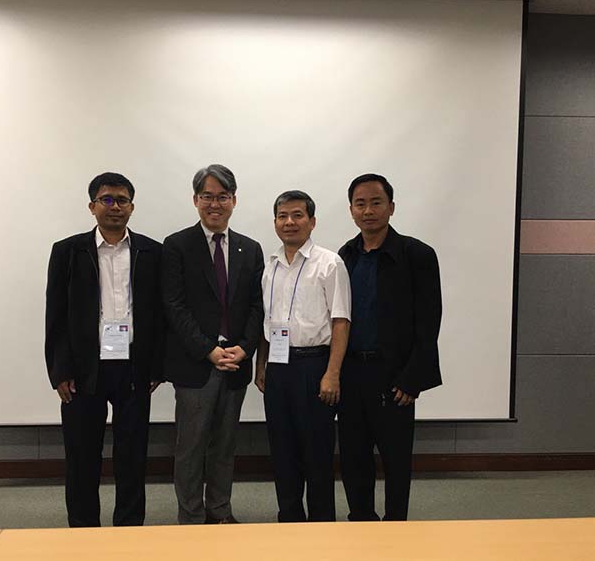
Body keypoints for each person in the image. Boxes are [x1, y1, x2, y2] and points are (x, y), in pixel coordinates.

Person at [45, 171, 163, 527]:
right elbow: (56, 315)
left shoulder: (151, 252)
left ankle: (129, 529)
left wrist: (156, 367)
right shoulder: (68, 251)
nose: (115, 207)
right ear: (92, 206)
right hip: (83, 369)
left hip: (133, 366)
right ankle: (83, 532)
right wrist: (60, 370)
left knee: (132, 455)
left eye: (122, 200)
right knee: (82, 456)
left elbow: (160, 314)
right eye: (106, 199)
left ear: (132, 207)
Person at [162, 164, 264, 524]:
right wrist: (208, 349)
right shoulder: (177, 246)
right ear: (195, 200)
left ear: (234, 200)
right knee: (190, 447)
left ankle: (220, 511)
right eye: (207, 196)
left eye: (222, 196)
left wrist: (245, 348)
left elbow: (257, 306)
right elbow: (174, 306)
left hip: (235, 362)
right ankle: (191, 516)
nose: (214, 204)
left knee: (224, 445)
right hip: (196, 364)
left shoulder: (250, 249)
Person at [338, 173, 442, 522]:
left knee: (396, 460)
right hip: (352, 373)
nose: (368, 211)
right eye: (360, 204)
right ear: (351, 210)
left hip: (394, 376)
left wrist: (413, 379)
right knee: (353, 457)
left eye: (376, 202)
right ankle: (361, 521)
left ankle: (397, 527)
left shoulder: (417, 255)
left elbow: (429, 322)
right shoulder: (345, 255)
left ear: (391, 207)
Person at [255, 190, 351, 522]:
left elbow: (341, 321)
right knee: (283, 452)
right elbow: (267, 321)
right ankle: (290, 522)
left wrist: (332, 373)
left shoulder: (329, 263)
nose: (289, 222)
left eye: (297, 215)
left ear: (312, 221)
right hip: (278, 366)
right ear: (275, 222)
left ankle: (322, 527)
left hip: (314, 366)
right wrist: (261, 364)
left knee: (317, 454)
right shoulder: (270, 266)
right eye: (282, 216)